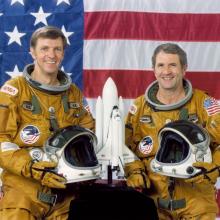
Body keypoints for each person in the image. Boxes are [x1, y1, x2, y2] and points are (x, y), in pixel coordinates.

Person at [0, 26, 95, 219]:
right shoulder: (14, 91)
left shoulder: (73, 94)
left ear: (63, 53)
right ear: (32, 52)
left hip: (64, 196)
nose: (51, 55)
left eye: (57, 49)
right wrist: (32, 168)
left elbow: (88, 133)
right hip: (22, 195)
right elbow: (1, 139)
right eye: (44, 49)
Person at [124, 43, 220, 220]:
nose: (166, 71)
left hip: (197, 202)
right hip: (153, 204)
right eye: (161, 65)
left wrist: (212, 169)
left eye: (173, 65)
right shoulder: (139, 107)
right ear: (153, 69)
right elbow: (124, 148)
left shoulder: (205, 104)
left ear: (184, 69)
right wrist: (134, 170)